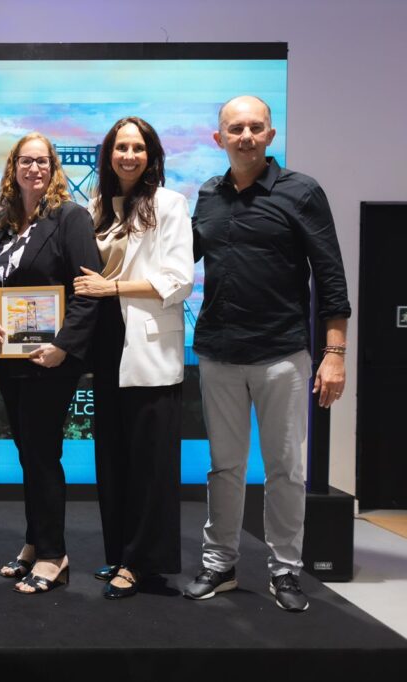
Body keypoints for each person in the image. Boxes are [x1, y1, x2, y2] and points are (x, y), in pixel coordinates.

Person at [182, 96, 350, 612]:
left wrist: (335, 352)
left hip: (282, 354)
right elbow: (177, 261)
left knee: (285, 469)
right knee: (224, 468)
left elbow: (331, 275)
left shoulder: (302, 191)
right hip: (218, 352)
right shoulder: (207, 195)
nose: (246, 136)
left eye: (256, 127)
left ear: (271, 135)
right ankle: (220, 565)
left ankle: (285, 571)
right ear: (219, 139)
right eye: (236, 129)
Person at [73, 117, 193, 599]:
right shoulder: (95, 207)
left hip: (149, 343)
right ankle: (121, 553)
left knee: (150, 461)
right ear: (108, 154)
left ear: (151, 155)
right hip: (105, 343)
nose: (128, 155)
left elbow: (179, 279)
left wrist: (114, 288)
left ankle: (143, 563)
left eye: (137, 148)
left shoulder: (170, 203)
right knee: (112, 457)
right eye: (120, 147)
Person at [0, 133, 101, 594]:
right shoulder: (2, 223)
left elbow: (88, 291)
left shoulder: (70, 217)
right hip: (10, 360)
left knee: (42, 455)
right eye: (25, 160)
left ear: (53, 168)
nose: (34, 168)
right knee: (28, 454)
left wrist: (64, 347)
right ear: (13, 167)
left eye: (42, 161)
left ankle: (54, 555)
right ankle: (35, 543)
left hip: (51, 361)